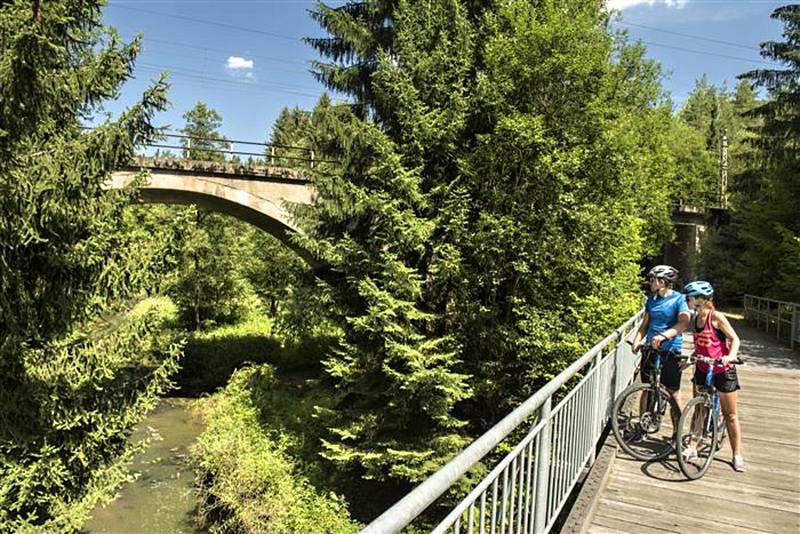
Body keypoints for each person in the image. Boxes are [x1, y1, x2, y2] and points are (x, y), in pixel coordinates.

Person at [681, 280, 745, 472]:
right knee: (699, 408)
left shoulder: (716, 317)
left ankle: (737, 454)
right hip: (702, 367)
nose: (687, 301)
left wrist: (730, 356)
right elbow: (702, 345)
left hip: (722, 370)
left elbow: (735, 339)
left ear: (702, 300)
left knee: (730, 415)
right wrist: (690, 358)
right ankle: (693, 447)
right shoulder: (694, 319)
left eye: (690, 298)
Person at [631, 265, 691, 428]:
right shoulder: (651, 299)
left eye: (653, 280)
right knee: (647, 388)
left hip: (670, 348)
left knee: (673, 392)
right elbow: (645, 324)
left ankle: (677, 433)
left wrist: (664, 336)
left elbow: (684, 322)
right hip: (651, 348)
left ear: (663, 282)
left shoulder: (679, 299)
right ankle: (641, 426)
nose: (651, 283)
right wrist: (637, 339)